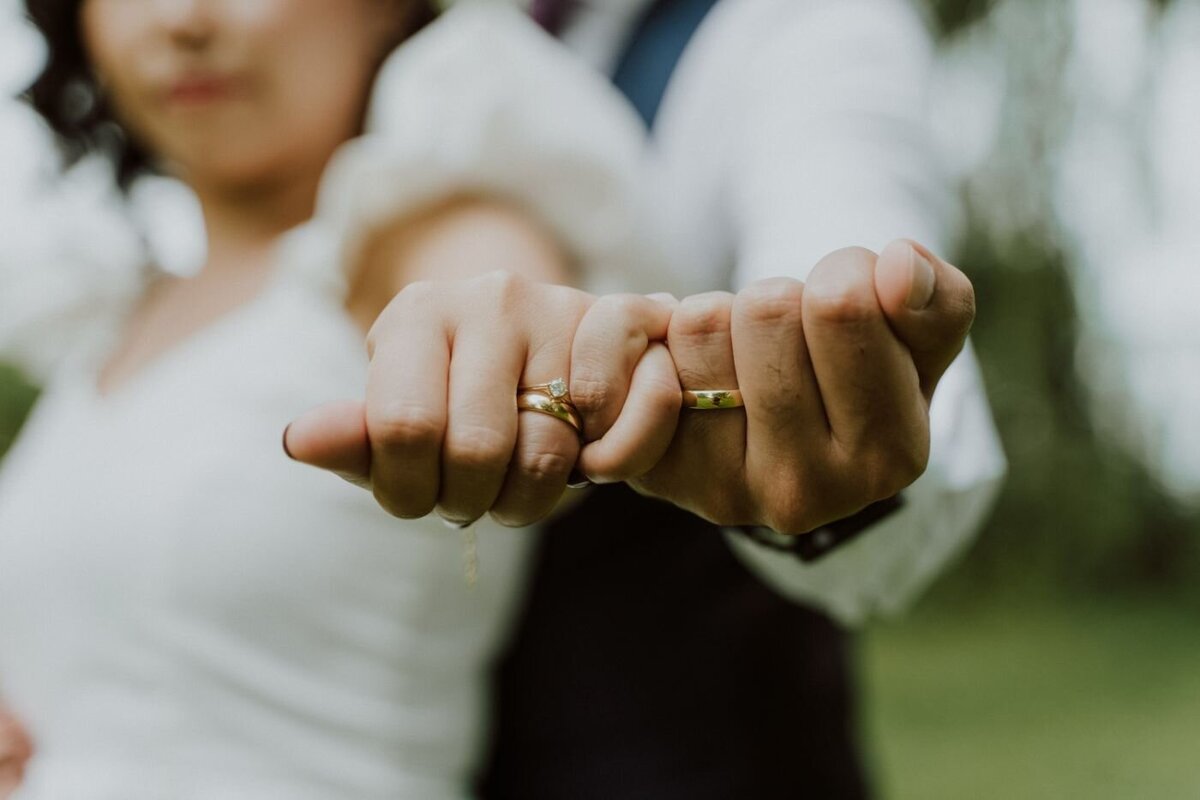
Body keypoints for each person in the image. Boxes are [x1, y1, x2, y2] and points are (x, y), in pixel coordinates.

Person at [0, 2, 981, 799]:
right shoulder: (106, 315)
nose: (182, 18)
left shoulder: (435, 209)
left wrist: (531, 365)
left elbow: (493, 308)